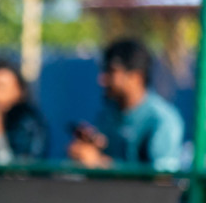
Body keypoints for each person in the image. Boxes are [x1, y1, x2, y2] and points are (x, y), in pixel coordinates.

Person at [67, 37, 184, 171]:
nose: (102, 80)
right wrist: (91, 149)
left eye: (111, 71)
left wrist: (99, 164)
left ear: (135, 77)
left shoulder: (163, 119)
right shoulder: (107, 115)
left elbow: (163, 179)